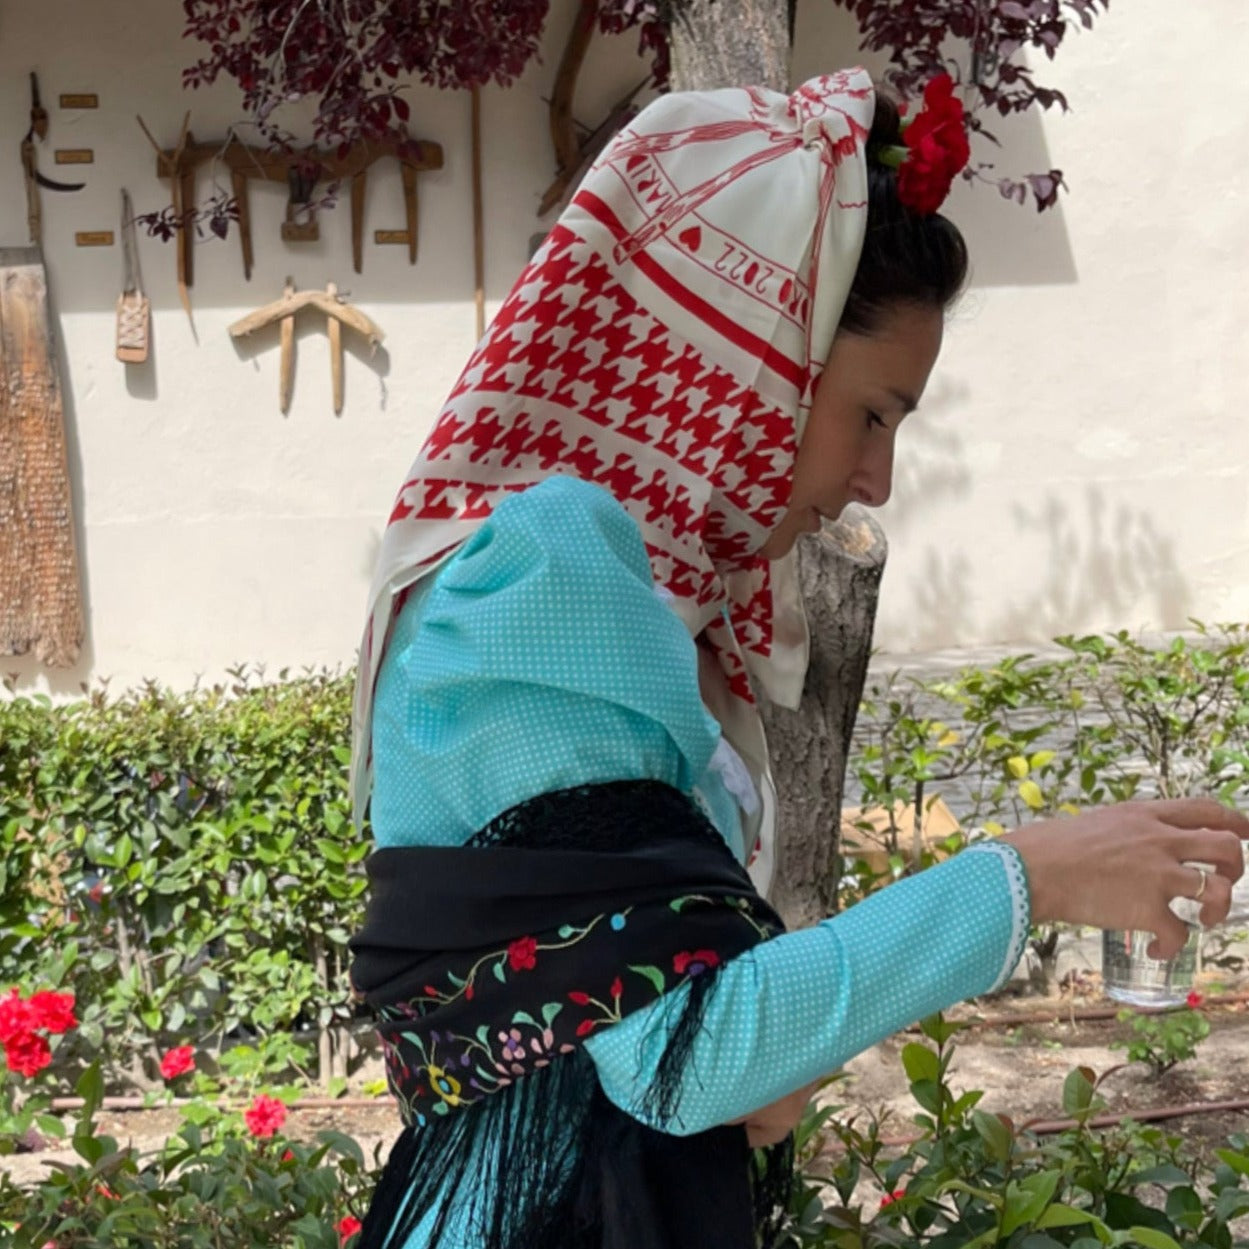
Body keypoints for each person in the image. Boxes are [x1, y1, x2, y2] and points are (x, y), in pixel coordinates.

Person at [347, 69, 1248, 1249]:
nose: (874, 480)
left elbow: (721, 1073)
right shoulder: (553, 577)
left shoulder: (615, 603)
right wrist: (1025, 875)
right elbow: (686, 1056)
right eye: (871, 415)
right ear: (748, 373)